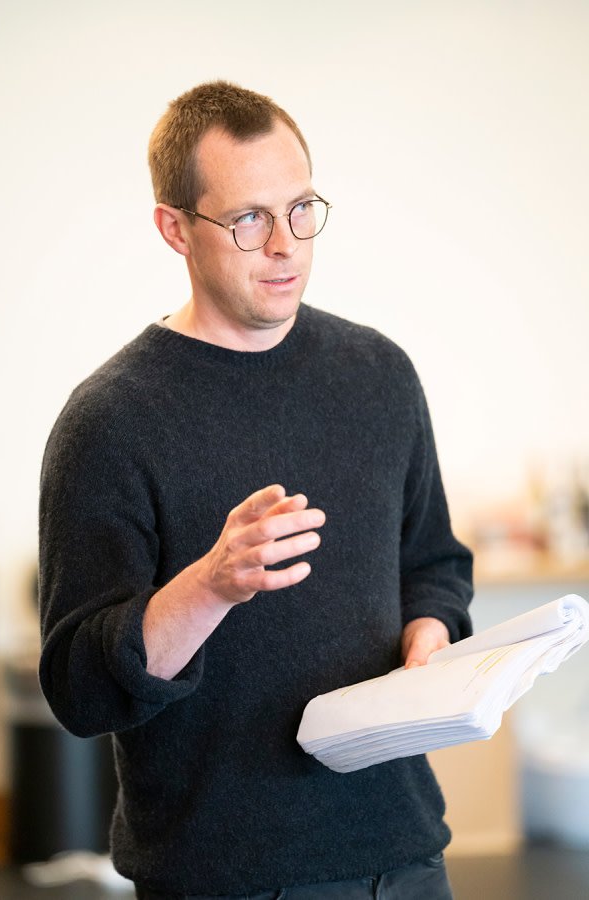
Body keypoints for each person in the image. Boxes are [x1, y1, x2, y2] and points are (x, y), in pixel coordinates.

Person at [39, 81, 473, 899]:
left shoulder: (379, 374)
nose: (285, 245)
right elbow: (78, 692)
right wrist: (211, 585)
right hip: (226, 876)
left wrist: (429, 637)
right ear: (175, 229)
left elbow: (434, 564)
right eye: (248, 219)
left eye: (301, 209)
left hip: (406, 851)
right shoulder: (110, 423)